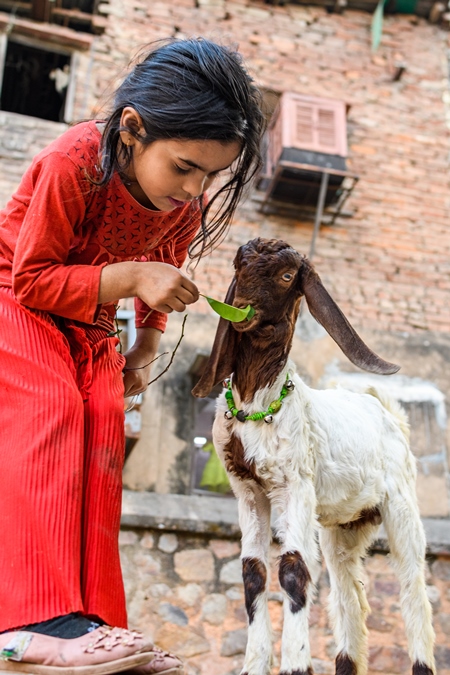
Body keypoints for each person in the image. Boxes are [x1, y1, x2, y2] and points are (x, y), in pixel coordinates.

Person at [0, 37, 265, 674]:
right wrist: (128, 279)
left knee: (102, 427)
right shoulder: (74, 163)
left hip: (85, 317)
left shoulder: (183, 202)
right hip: (15, 295)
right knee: (54, 404)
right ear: (132, 129)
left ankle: (92, 623)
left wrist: (146, 345)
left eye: (210, 174)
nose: (195, 187)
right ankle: (24, 623)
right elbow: (32, 279)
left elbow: (162, 271)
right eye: (183, 167)